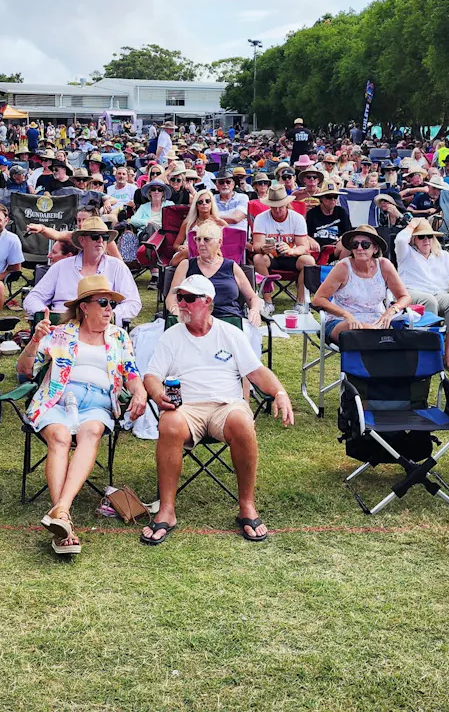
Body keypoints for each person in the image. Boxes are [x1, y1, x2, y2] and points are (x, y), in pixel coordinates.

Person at [140, 274, 294, 545]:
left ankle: (246, 505)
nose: (181, 304)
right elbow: (151, 375)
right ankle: (167, 510)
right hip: (187, 408)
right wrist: (157, 393)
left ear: (207, 302)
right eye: (179, 297)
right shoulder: (171, 335)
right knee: (169, 423)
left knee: (242, 422)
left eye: (188, 298)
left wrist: (280, 392)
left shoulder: (230, 333)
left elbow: (256, 372)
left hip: (226, 405)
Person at [18, 274, 146, 557]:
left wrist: (139, 392)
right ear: (84, 307)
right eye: (103, 302)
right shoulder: (60, 333)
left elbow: (132, 374)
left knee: (92, 431)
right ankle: (63, 518)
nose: (109, 309)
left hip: (98, 403)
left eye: (111, 303)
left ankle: (61, 512)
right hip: (58, 399)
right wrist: (35, 341)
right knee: (61, 437)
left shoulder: (118, 337)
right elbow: (25, 369)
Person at [24, 218, 141, 326]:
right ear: (82, 240)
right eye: (95, 236)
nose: (100, 240)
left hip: (103, 329)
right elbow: (33, 298)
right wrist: (44, 314)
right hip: (61, 326)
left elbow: (133, 303)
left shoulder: (117, 267)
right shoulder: (60, 267)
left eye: (105, 237)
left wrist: (111, 314)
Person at [392, 218, 449, 371]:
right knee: (429, 301)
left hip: (438, 294)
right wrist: (413, 224)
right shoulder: (406, 253)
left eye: (429, 236)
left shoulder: (443, 255)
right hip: (411, 294)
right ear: (414, 239)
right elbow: (400, 240)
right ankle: (428, 353)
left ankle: (448, 354)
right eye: (421, 236)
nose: (426, 240)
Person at [310, 225, 411, 342]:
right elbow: (318, 299)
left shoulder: (384, 266)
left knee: (380, 336)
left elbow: (405, 297)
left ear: (375, 249)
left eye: (365, 245)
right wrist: (345, 314)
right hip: (342, 322)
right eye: (355, 245)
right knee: (367, 334)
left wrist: (391, 310)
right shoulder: (343, 267)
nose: (359, 248)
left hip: (377, 322)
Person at [165, 220, 263, 327]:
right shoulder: (186, 265)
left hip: (228, 318)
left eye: (206, 239)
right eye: (197, 239)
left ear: (219, 242)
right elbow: (171, 297)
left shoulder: (231, 266)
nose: (201, 243)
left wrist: (254, 311)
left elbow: (252, 297)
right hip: (193, 319)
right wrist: (175, 310)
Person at [249, 185, 318, 280]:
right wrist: (263, 249)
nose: (277, 210)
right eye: (274, 207)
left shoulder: (297, 218)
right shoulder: (261, 218)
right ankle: (266, 293)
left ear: (286, 204)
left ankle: (302, 295)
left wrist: (291, 251)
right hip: (270, 257)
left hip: (293, 257)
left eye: (280, 206)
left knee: (308, 261)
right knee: (258, 258)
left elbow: (304, 246)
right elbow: (256, 245)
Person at [305, 185, 353, 259]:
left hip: (336, 247)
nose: (333, 199)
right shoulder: (312, 213)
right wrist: (311, 241)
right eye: (329, 197)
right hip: (316, 248)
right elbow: (304, 234)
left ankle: (340, 267)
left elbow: (348, 233)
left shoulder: (341, 212)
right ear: (321, 198)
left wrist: (342, 238)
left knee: (347, 245)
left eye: (335, 197)